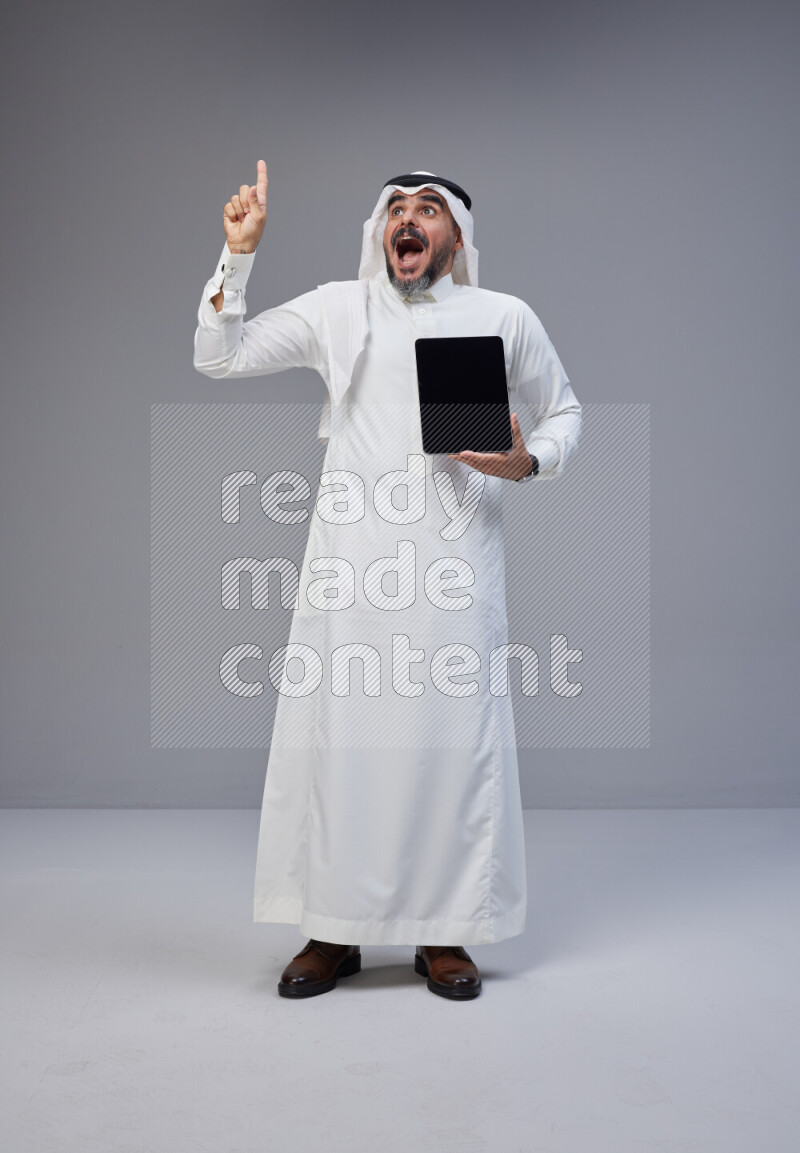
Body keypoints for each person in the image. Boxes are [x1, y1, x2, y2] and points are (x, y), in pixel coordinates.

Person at [194, 162, 581, 1000]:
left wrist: (526, 462)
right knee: (342, 745)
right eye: (396, 208)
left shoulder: (502, 316)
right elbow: (219, 355)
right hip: (351, 570)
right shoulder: (339, 307)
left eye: (428, 209)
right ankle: (332, 930)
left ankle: (444, 931)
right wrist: (239, 257)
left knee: (450, 746)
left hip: (454, 571)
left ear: (456, 238)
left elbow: (566, 413)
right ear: (381, 232)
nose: (408, 218)